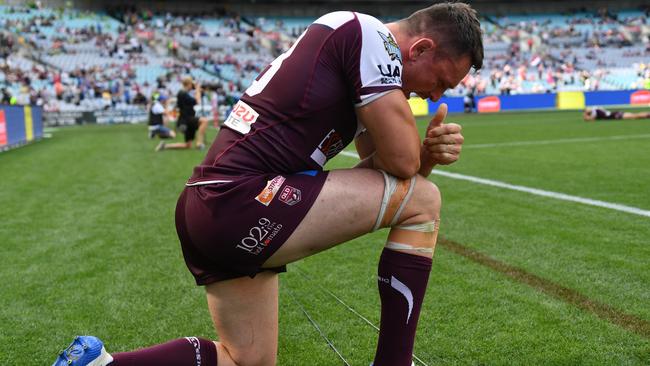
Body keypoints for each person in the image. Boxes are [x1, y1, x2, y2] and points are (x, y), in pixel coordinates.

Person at [53, 3, 483, 366]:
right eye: (441, 81)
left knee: (247, 359)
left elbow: (389, 176)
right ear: (421, 48)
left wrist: (423, 156)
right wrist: (421, 156)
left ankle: (101, 363)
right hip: (240, 199)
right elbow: (405, 168)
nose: (435, 97)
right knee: (426, 199)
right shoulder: (372, 36)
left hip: (214, 203)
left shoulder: (358, 55)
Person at [156, 76, 208, 151]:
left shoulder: (183, 93)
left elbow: (194, 99)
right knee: (204, 121)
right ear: (189, 84)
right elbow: (197, 101)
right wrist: (197, 90)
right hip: (186, 119)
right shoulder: (182, 93)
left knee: (187, 145)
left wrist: (199, 91)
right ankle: (199, 144)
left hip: (186, 119)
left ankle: (165, 146)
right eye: (191, 84)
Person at [583, 107, 650, 121]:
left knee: (634, 116)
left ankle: (648, 114)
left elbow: (590, 119)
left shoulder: (594, 111)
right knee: (635, 116)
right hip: (615, 114)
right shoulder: (596, 109)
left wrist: (585, 114)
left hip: (615, 115)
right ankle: (647, 115)